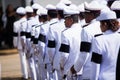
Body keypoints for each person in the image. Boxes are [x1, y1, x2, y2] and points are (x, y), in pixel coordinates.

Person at [91, 10, 120, 80]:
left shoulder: (98, 40)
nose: (100, 26)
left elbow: (95, 65)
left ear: (105, 24)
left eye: (100, 24)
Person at [59, 4, 82, 80]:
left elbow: (64, 55)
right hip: (84, 71)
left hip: (71, 71)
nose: (64, 22)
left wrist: (62, 65)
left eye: (65, 19)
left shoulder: (66, 33)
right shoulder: (84, 30)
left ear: (71, 20)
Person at [13, 7, 28, 80]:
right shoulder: (28, 21)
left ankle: (25, 75)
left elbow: (15, 36)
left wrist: (15, 44)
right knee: (30, 60)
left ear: (18, 15)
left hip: (20, 44)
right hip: (29, 43)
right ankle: (31, 74)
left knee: (22, 59)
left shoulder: (16, 23)